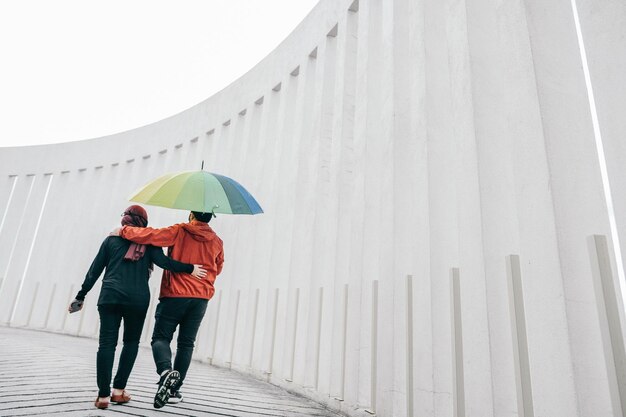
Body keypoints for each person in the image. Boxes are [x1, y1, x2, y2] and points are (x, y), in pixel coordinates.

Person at [68, 205, 207, 410]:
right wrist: (190, 268)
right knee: (131, 343)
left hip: (109, 297)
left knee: (106, 344)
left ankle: (103, 396)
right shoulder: (150, 244)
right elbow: (166, 263)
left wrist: (81, 296)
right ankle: (118, 391)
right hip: (137, 300)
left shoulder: (111, 240)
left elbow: (94, 271)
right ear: (143, 223)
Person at [114, 210, 224, 408]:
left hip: (175, 294)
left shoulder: (180, 231)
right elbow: (219, 267)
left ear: (191, 215)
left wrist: (124, 231)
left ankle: (165, 372)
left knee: (161, 338)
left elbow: (151, 236)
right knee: (186, 344)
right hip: (201, 298)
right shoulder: (217, 241)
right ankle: (174, 390)